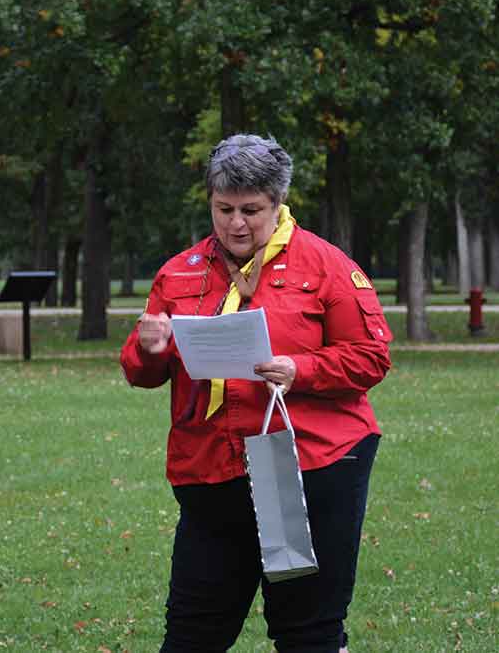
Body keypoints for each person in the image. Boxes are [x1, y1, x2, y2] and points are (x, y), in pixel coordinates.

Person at [120, 134, 392, 653]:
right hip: (210, 471)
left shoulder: (325, 265)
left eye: (251, 210)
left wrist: (301, 368)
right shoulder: (180, 272)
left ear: (278, 203)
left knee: (306, 630)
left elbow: (372, 356)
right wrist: (150, 348)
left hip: (304, 467)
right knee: (192, 632)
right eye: (224, 209)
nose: (236, 224)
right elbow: (141, 371)